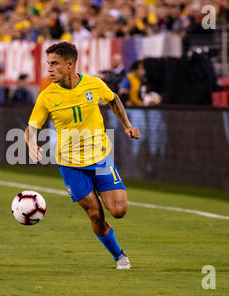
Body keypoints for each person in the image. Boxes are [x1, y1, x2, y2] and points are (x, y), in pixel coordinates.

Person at [24, 42, 141, 269]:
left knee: (118, 210)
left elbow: (113, 99)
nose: (49, 69)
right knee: (95, 215)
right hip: (71, 165)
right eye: (48, 64)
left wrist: (127, 125)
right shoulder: (47, 96)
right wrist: (31, 144)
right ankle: (119, 255)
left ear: (70, 64)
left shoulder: (94, 84)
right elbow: (32, 127)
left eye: (54, 64)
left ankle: (111, 225)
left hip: (100, 159)